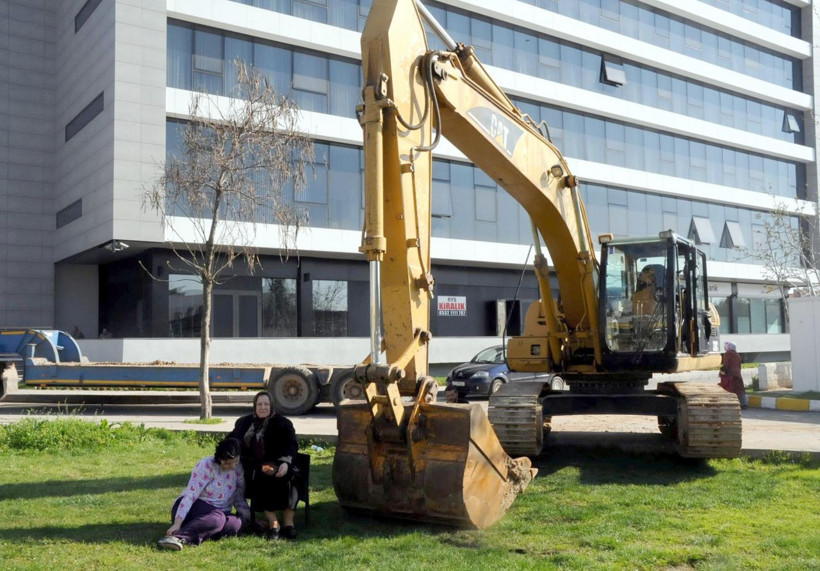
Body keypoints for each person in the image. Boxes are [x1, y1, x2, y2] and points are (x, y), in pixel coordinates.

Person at [229, 391, 300, 540]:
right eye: (259, 404)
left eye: (266, 404)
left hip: (279, 462)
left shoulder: (283, 423)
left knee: (291, 476)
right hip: (253, 468)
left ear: (271, 406)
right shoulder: (244, 423)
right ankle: (274, 523)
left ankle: (289, 523)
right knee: (264, 474)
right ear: (255, 406)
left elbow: (291, 445)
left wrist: (285, 462)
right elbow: (231, 441)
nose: (263, 407)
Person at [157, 438, 250, 551]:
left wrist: (250, 519)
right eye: (228, 463)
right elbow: (190, 495)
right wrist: (177, 522)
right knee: (217, 519)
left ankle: (204, 530)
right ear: (220, 459)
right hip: (195, 507)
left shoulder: (238, 469)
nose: (233, 466)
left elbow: (239, 498)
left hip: (220, 513)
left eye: (236, 462)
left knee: (237, 523)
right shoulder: (206, 465)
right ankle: (177, 537)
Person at [719, 341, 748, 409]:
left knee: (730, 389)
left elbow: (726, 365)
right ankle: (744, 404)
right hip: (738, 374)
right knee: (740, 389)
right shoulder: (736, 354)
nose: (725, 347)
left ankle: (730, 404)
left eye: (726, 346)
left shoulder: (728, 354)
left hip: (730, 375)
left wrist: (722, 372)